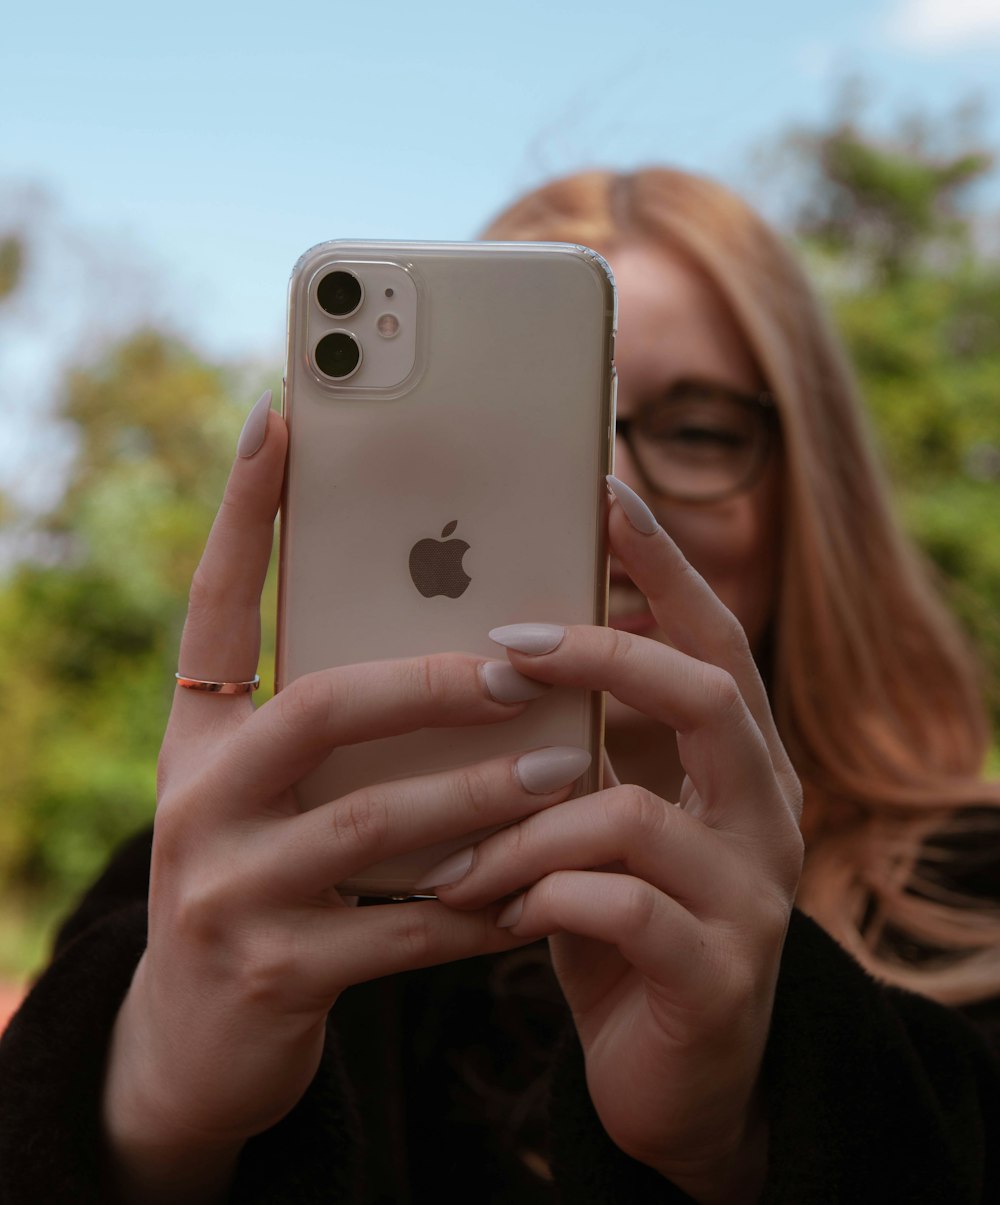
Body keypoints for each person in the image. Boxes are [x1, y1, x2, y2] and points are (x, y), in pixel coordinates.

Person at [1, 168, 998, 1205]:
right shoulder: (230, 881)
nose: (617, 494)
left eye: (697, 429)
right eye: (553, 420)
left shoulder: (976, 892)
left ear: (809, 490)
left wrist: (751, 1125)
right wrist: (145, 1107)